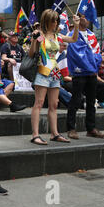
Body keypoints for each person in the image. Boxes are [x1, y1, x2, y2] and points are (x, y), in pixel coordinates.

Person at [28, 9, 79, 145]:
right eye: (53, 20)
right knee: (39, 103)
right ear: (46, 21)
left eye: (56, 20)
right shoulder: (41, 35)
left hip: (55, 74)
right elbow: (32, 53)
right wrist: (34, 39)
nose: (55, 23)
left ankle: (54, 133)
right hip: (42, 72)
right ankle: (35, 135)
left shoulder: (58, 36)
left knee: (54, 105)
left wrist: (76, 25)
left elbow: (74, 39)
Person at [66, 13, 104, 139]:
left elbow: (97, 52)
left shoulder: (92, 35)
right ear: (78, 19)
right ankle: (71, 128)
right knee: (76, 100)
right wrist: (88, 64)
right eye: (85, 17)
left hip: (92, 73)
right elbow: (75, 54)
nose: (88, 20)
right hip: (79, 72)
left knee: (91, 101)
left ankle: (91, 128)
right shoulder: (71, 35)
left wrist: (95, 65)